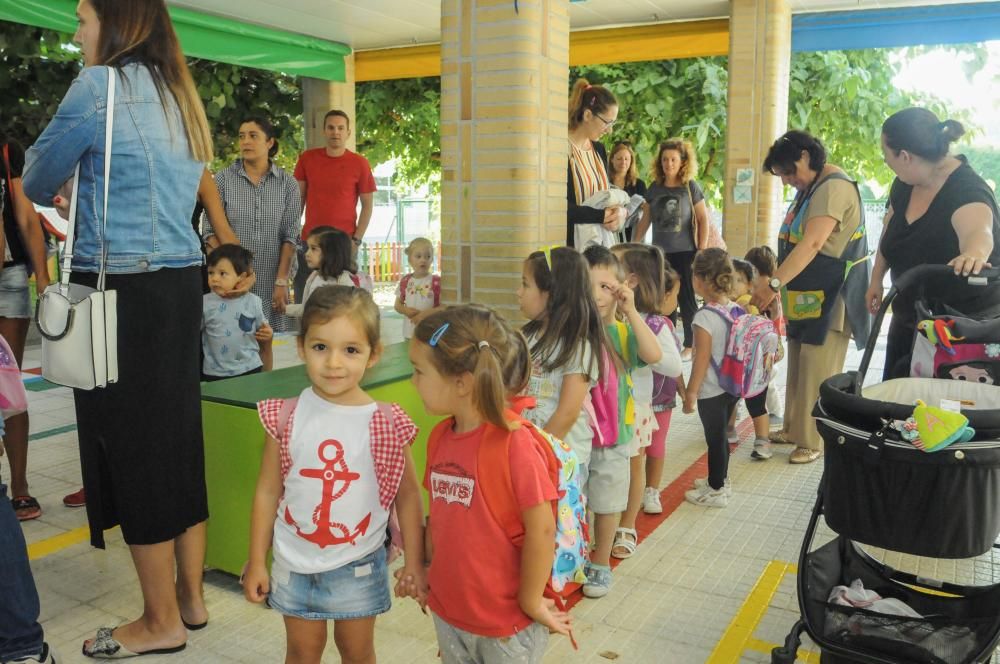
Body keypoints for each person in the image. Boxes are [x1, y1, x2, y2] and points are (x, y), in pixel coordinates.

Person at [23, 0, 215, 656]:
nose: (77, 33)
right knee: (178, 442)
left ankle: (158, 621)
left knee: (135, 451)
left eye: (83, 18)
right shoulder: (180, 93)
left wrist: (76, 183)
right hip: (179, 286)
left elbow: (34, 176)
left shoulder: (98, 86)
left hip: (120, 291)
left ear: (117, 20)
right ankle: (189, 600)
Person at [244, 286, 425, 664]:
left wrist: (415, 561)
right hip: (294, 563)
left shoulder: (385, 422)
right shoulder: (285, 416)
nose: (334, 363)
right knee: (301, 653)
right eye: (320, 347)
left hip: (357, 565)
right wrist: (257, 560)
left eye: (351, 350)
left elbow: (408, 496)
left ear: (373, 354)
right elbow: (266, 492)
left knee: (357, 653)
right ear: (300, 347)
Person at [409, 306, 571, 663]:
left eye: (419, 372)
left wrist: (530, 600)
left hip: (507, 623)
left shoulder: (515, 445)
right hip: (451, 612)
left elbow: (541, 530)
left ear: (462, 382)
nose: (413, 381)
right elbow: (438, 517)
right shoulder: (440, 437)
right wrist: (425, 570)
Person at [751, 130, 871, 465]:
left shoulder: (834, 187)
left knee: (818, 367)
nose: (788, 181)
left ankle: (813, 439)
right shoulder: (813, 186)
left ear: (805, 157)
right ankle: (793, 428)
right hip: (809, 294)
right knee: (800, 363)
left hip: (833, 294)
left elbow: (813, 243)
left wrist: (773, 284)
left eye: (789, 172)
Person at [867, 108, 1000, 380]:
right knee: (898, 401)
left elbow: (979, 232)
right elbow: (889, 231)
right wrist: (876, 278)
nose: (885, 160)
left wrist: (974, 254)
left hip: (958, 328)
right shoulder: (903, 184)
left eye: (886, 153)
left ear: (905, 156)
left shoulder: (967, 190)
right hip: (910, 314)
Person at [582, 245, 662, 596]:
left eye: (605, 287)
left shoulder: (625, 332)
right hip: (577, 438)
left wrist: (631, 311)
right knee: (578, 499)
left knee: (608, 501)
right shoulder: (573, 332)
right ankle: (578, 553)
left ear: (621, 288)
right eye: (588, 286)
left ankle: (600, 563)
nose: (597, 296)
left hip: (614, 436)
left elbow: (653, 354)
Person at [609, 243, 682, 556]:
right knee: (608, 468)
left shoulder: (653, 323)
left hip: (634, 408)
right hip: (604, 407)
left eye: (612, 270)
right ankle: (605, 520)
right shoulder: (603, 317)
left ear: (632, 282)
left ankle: (627, 525)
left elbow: (674, 365)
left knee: (633, 467)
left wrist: (645, 349)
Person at [205, 116, 300, 332]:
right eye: (242, 136)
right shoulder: (222, 180)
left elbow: (291, 236)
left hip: (271, 281)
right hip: (232, 284)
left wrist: (282, 281)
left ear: (270, 142)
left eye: (253, 136)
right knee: (232, 341)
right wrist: (229, 275)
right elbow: (209, 232)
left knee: (271, 343)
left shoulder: (288, 184)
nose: (245, 141)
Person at [517, 247, 603, 482]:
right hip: (528, 451)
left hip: (561, 457)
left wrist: (537, 454)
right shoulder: (526, 337)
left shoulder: (578, 346)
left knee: (561, 519)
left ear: (552, 293)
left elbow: (567, 413)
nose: (518, 292)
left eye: (525, 284)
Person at [683, 249, 757, 507]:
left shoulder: (704, 317)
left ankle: (716, 491)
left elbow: (701, 359)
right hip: (732, 386)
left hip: (712, 390)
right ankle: (720, 479)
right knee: (722, 436)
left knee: (715, 440)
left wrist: (691, 392)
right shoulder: (735, 309)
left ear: (700, 280)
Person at [0, 138, 50, 521]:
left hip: (8, 280)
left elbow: (26, 218)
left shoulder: (5, 149)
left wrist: (45, 282)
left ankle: (20, 486)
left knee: (8, 388)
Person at [636, 139, 709, 360]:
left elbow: (703, 219)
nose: (669, 164)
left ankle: (690, 344)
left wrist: (702, 251)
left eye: (673, 160)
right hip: (659, 254)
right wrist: (634, 245)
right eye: (665, 159)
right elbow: (645, 220)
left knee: (687, 298)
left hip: (686, 252)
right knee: (660, 297)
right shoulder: (654, 188)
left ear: (682, 162)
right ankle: (662, 339)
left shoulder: (690, 186)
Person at [293, 110, 376, 302]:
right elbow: (298, 200)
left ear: (348, 132)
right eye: (331, 127)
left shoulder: (360, 163)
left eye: (340, 128)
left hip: (344, 243)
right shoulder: (307, 159)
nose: (335, 132)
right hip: (310, 241)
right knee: (306, 294)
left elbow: (367, 207)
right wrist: (293, 233)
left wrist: (356, 240)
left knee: (346, 300)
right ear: (324, 131)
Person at [566, 79, 625, 249]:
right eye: (607, 122)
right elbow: (558, 207)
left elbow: (605, 195)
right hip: (571, 249)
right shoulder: (560, 149)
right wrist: (600, 216)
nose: (609, 130)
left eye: (613, 123)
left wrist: (620, 213)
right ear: (587, 115)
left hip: (600, 247)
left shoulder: (599, 149)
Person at [202, 245, 273, 381]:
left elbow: (263, 329)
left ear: (241, 277)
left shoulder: (253, 301)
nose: (215, 278)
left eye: (222, 273)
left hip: (250, 367)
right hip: (216, 372)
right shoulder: (205, 302)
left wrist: (268, 333)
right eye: (211, 273)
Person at [728, 259, 772, 461]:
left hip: (753, 366)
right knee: (730, 400)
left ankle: (763, 440)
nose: (732, 284)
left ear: (749, 286)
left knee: (756, 404)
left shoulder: (747, 303)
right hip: (738, 364)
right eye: (728, 279)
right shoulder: (727, 304)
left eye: (738, 280)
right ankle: (729, 430)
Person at [745, 245, 785, 428]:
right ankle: (735, 408)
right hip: (753, 345)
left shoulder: (772, 295)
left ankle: (776, 411)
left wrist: (773, 315)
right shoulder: (751, 292)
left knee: (768, 378)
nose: (753, 286)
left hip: (769, 346)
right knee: (746, 376)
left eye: (756, 279)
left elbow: (775, 320)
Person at [285, 227, 361, 318]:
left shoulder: (344, 280)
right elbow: (306, 309)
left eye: (313, 249)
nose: (307, 253)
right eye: (308, 248)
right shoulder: (314, 277)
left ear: (330, 252)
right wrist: (284, 308)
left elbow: (350, 311)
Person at [394, 237, 442, 339]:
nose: (423, 260)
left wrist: (425, 314)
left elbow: (443, 308)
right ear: (410, 260)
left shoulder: (436, 282)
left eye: (427, 256)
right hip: (409, 333)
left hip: (430, 333)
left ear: (432, 259)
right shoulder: (405, 281)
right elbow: (397, 305)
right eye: (418, 256)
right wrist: (405, 310)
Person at [607, 141, 647, 242]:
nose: (623, 162)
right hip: (608, 233)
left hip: (632, 236)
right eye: (619, 159)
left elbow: (646, 210)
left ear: (631, 161)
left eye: (626, 159)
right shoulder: (604, 182)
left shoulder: (639, 184)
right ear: (612, 160)